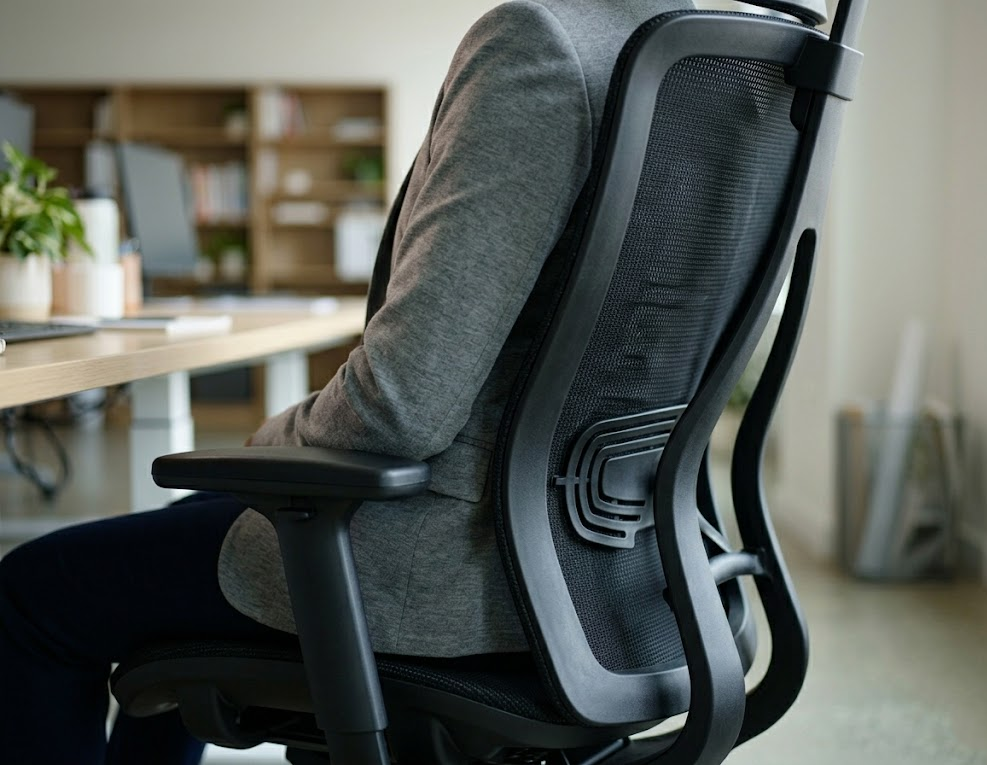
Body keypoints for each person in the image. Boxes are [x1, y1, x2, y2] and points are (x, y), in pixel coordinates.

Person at [0, 1, 692, 762]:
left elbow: (402, 404)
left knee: (27, 597)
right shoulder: (693, 52)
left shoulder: (542, 46)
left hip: (455, 568)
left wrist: (273, 438)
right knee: (184, 532)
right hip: (610, 569)